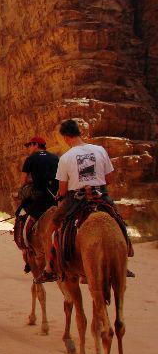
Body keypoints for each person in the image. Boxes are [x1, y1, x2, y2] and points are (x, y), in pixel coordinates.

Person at [36, 119, 133, 283]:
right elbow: (109, 179)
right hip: (100, 195)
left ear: (66, 137)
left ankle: (50, 267)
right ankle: (126, 256)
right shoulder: (100, 150)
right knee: (118, 220)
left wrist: (60, 195)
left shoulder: (66, 158)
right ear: (79, 133)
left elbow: (63, 190)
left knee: (54, 226)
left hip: (76, 198)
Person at [18, 136, 59, 220]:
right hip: (55, 194)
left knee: (22, 212)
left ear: (36, 145)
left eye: (29, 145)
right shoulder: (55, 157)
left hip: (38, 195)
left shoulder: (30, 159)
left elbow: (23, 181)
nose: (28, 148)